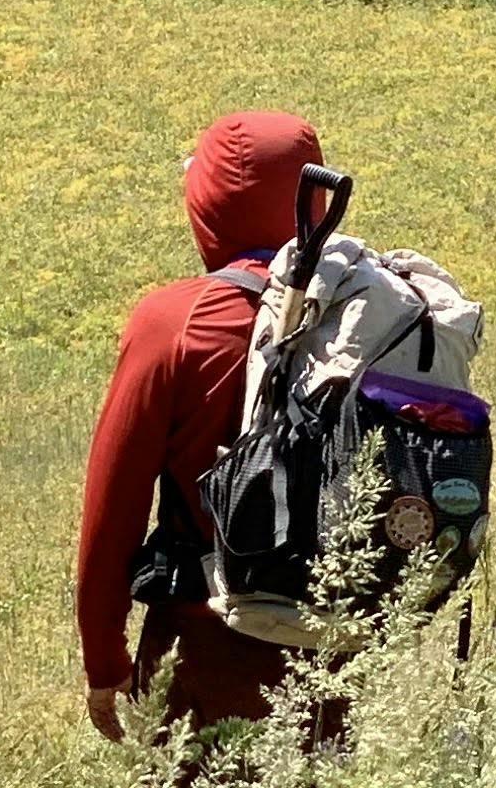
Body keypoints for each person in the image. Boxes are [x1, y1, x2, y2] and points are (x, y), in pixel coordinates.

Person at [74, 108, 326, 743]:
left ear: (210, 202)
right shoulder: (369, 308)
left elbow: (115, 507)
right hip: (349, 645)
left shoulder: (174, 321)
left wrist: (105, 660)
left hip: (208, 643)